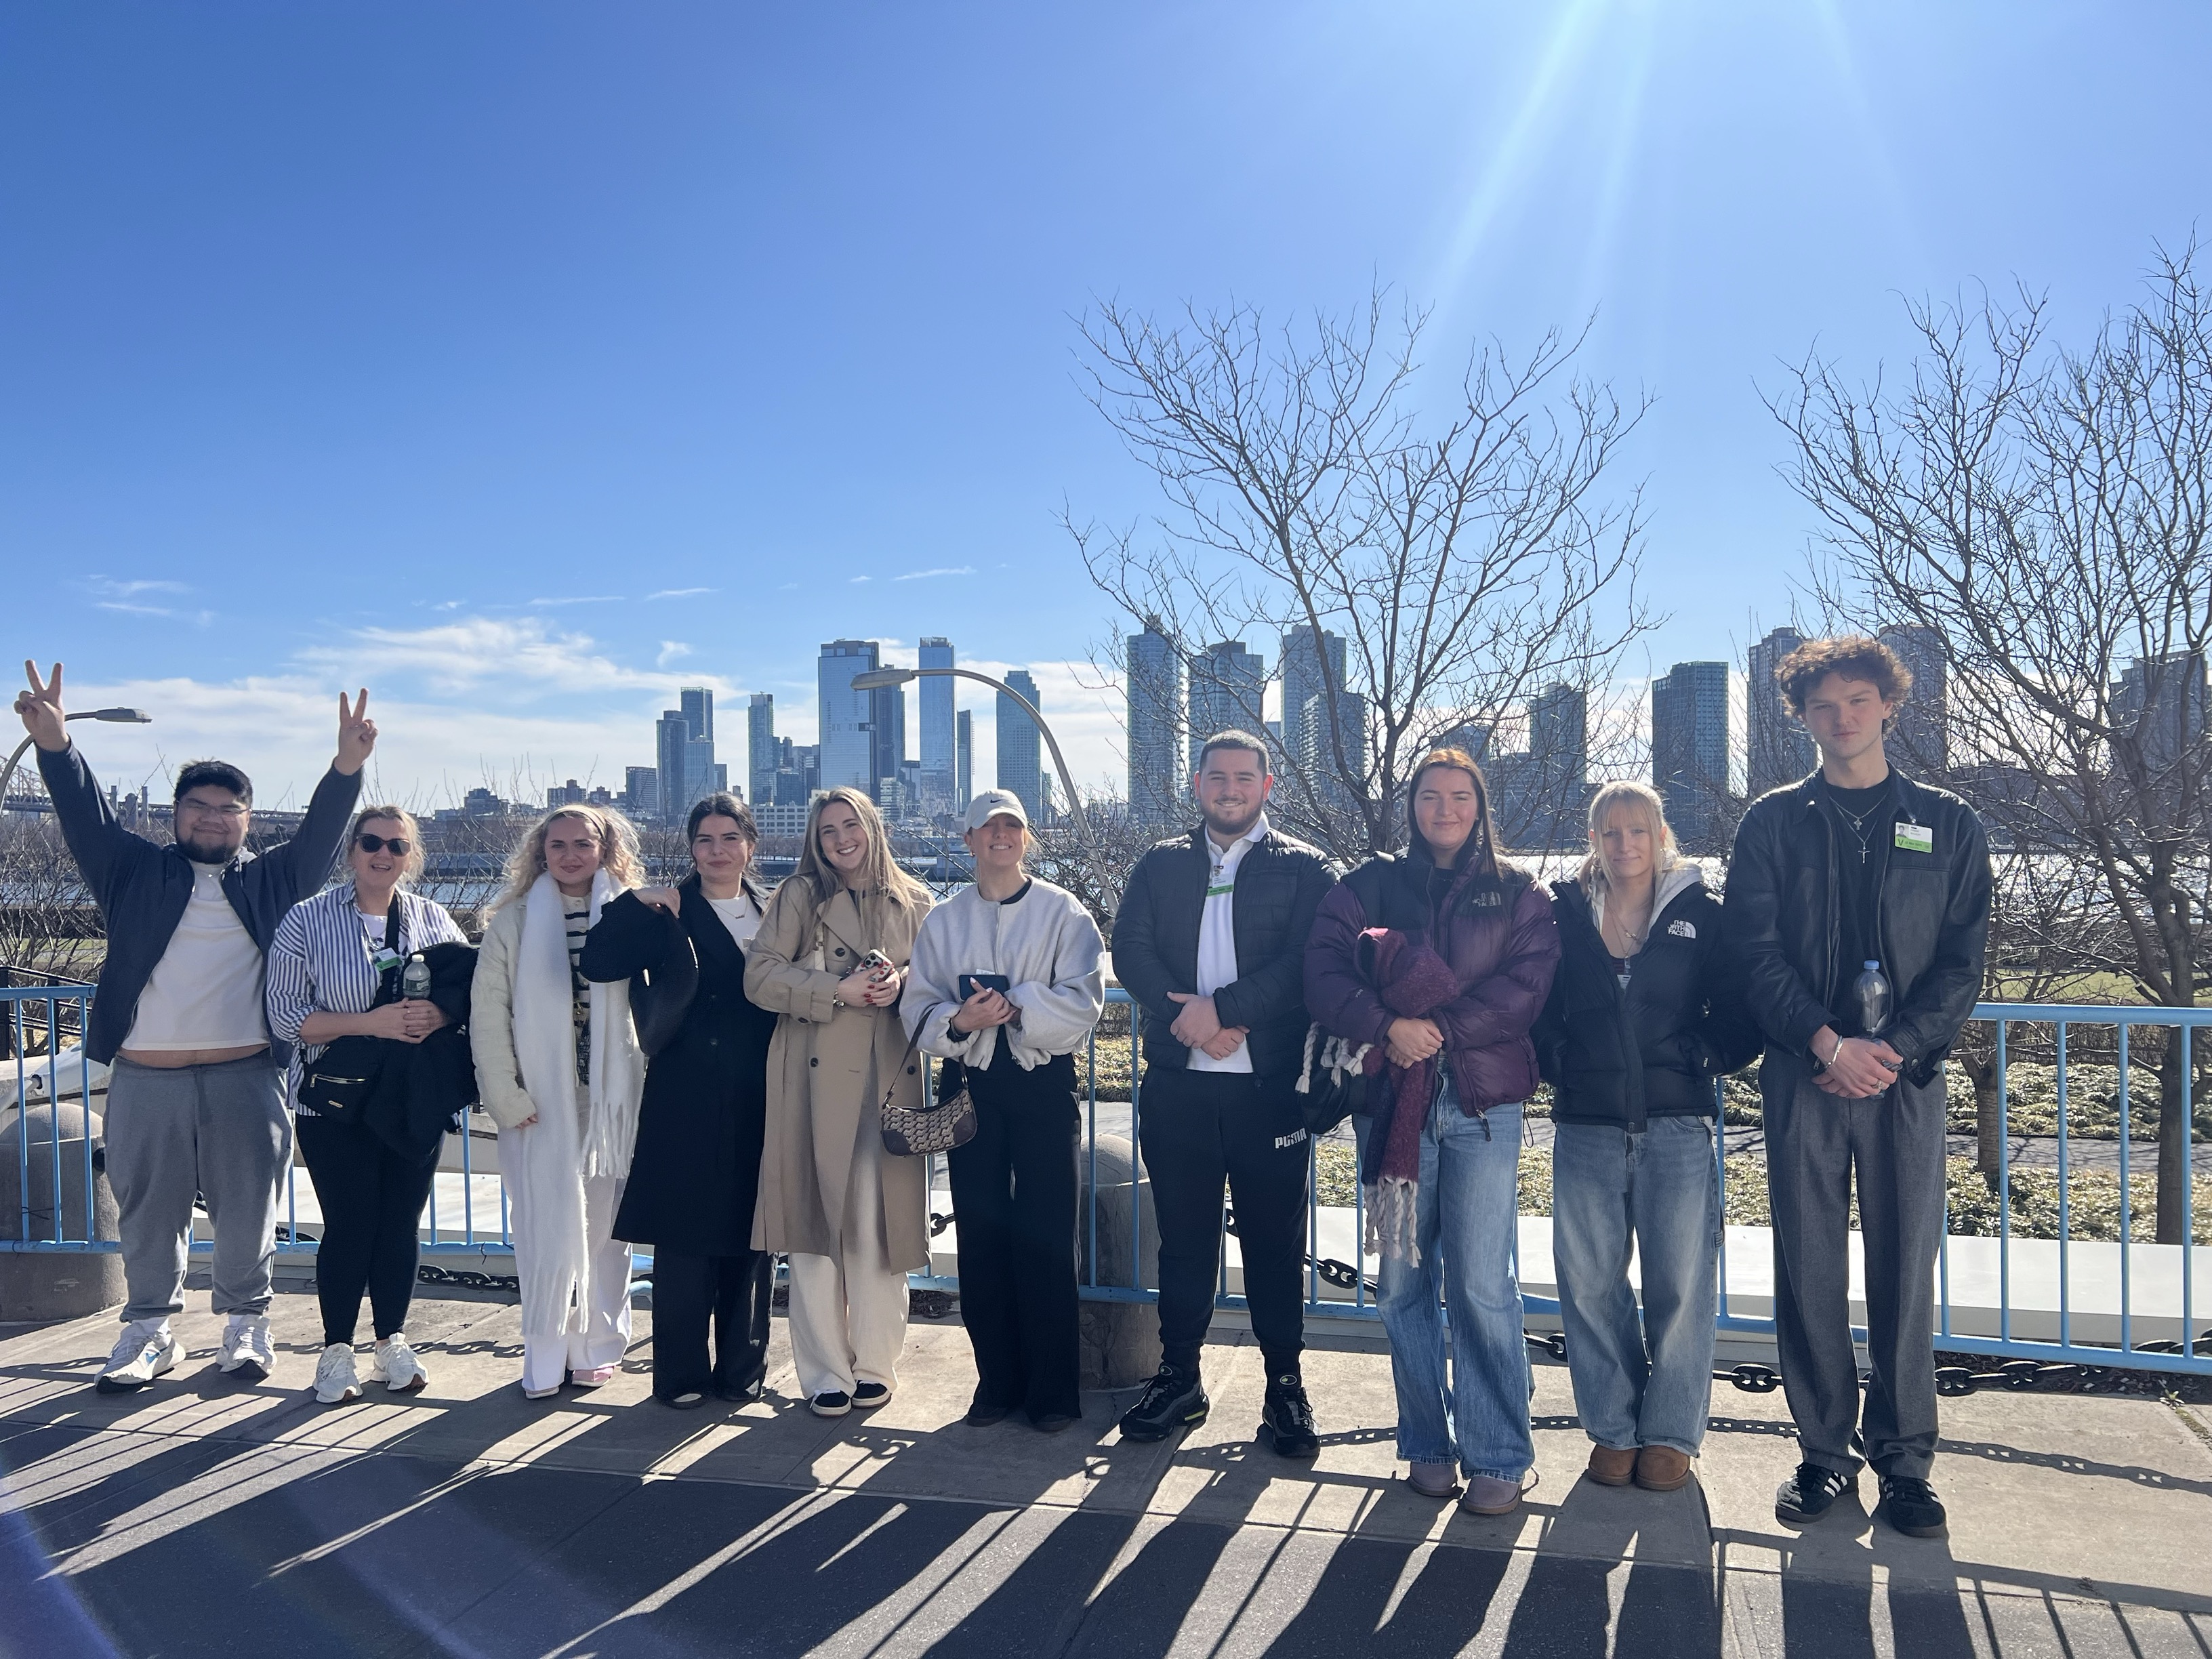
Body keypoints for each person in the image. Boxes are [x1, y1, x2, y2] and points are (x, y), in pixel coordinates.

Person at [14, 661, 373, 1393]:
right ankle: (148, 1329)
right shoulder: (131, 871)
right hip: (147, 1075)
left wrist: (345, 768)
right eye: (198, 806)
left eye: (228, 808)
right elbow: (85, 815)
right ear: (174, 814)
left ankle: (247, 1325)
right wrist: (55, 745)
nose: (212, 817)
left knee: (248, 1209)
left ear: (248, 819)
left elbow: (321, 835)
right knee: (148, 1211)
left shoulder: (272, 880)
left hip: (248, 1072)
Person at [1728, 635, 1990, 1540]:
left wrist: (1894, 1050)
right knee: (1808, 1267)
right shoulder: (1772, 823)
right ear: (1801, 718)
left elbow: (1962, 962)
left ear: (1889, 705)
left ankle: (1906, 1465)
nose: (1842, 718)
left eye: (1858, 700)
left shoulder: (1948, 823)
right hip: (1804, 1074)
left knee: (1904, 1272)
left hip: (1905, 1083)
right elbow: (1752, 952)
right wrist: (1825, 1041)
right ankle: (1823, 1456)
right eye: (1823, 705)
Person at [1304, 748, 1560, 1515]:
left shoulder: (1518, 891)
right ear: (1410, 804)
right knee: (1402, 1286)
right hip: (1391, 1109)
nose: (1444, 809)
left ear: (1480, 806)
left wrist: (1432, 1031)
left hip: (1483, 1108)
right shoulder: (1370, 883)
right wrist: (1388, 1026)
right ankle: (1425, 1444)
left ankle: (1499, 1452)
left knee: (1482, 1285)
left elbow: (1526, 990)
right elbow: (1322, 970)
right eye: (1429, 796)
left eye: (1459, 796)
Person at [1109, 731, 1337, 1456]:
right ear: (1197, 785)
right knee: (1184, 1242)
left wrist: (1227, 1011)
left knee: (1274, 1244)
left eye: (1244, 778)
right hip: (1178, 1088)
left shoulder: (1307, 868)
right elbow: (1130, 949)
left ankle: (1285, 1387)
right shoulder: (1160, 863)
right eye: (1217, 777)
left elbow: (1308, 962)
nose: (1230, 789)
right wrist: (1188, 1019)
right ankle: (1179, 1377)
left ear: (1267, 787)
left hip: (1269, 1091)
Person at [1532, 781, 1759, 1493]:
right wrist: (1559, 1060)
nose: (1624, 843)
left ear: (1661, 835)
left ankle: (1670, 1432)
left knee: (1681, 1285)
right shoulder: (1565, 916)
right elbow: (1536, 1006)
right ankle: (1613, 1427)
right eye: (1610, 831)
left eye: (1638, 830)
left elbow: (1742, 1010)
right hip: (1587, 1125)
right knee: (1590, 1284)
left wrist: (1703, 1055)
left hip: (1677, 1125)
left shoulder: (1703, 916)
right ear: (1593, 840)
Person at [903, 790, 1105, 1432]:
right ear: (967, 839)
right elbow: (917, 1007)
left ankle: (1053, 1393)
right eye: (987, 827)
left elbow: (1086, 1001)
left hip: (1042, 1082)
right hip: (970, 1083)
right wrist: (961, 1021)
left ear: (1026, 836)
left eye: (1011, 825)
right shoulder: (943, 920)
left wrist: (1019, 1008)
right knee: (981, 1233)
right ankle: (995, 1383)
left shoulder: (1064, 911)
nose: (1000, 835)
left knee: (1049, 1235)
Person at [579, 792, 779, 1409]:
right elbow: (599, 960)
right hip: (685, 1089)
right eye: (704, 840)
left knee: (754, 1231)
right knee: (685, 1235)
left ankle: (742, 1369)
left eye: (730, 838)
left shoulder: (773, 910)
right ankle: (681, 1374)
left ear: (750, 845)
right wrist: (632, 901)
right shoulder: (670, 908)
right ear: (691, 848)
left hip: (762, 1088)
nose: (717, 851)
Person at [266, 806, 470, 1404]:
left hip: (412, 1096)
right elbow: (285, 1017)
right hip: (335, 1100)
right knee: (350, 1223)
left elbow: (471, 992)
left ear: (411, 856)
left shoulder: (433, 919)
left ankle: (391, 1340)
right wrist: (370, 1022)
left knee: (400, 1223)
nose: (384, 854)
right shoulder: (307, 919)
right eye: (372, 842)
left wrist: (441, 1015)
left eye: (397, 846)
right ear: (352, 850)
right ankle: (335, 1350)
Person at [746, 787, 934, 1418]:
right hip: (812, 1078)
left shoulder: (915, 900)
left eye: (851, 825)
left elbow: (936, 976)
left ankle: (875, 1362)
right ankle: (826, 1369)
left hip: (888, 1076)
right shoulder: (799, 895)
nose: (841, 839)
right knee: (814, 1224)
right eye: (828, 831)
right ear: (816, 841)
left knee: (880, 1228)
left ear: (873, 828)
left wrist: (902, 982)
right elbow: (759, 976)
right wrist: (836, 989)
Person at [470, 804, 647, 1400]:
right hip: (538, 1099)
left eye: (583, 844)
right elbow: (488, 1015)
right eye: (558, 845)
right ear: (541, 853)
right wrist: (504, 1094)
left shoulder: (631, 914)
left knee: (606, 1230)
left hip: (609, 1100)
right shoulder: (514, 922)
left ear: (605, 849)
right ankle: (545, 1348)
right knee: (541, 1225)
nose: (570, 855)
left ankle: (597, 1344)